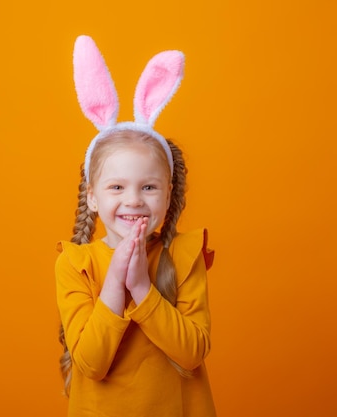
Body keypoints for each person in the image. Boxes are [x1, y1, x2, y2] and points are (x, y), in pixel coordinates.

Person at [55, 35, 216, 417]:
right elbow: (91, 363)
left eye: (148, 187)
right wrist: (115, 283)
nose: (133, 200)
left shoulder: (182, 255)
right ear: (93, 196)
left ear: (167, 193)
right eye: (116, 187)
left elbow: (193, 352)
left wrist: (142, 288)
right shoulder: (74, 264)